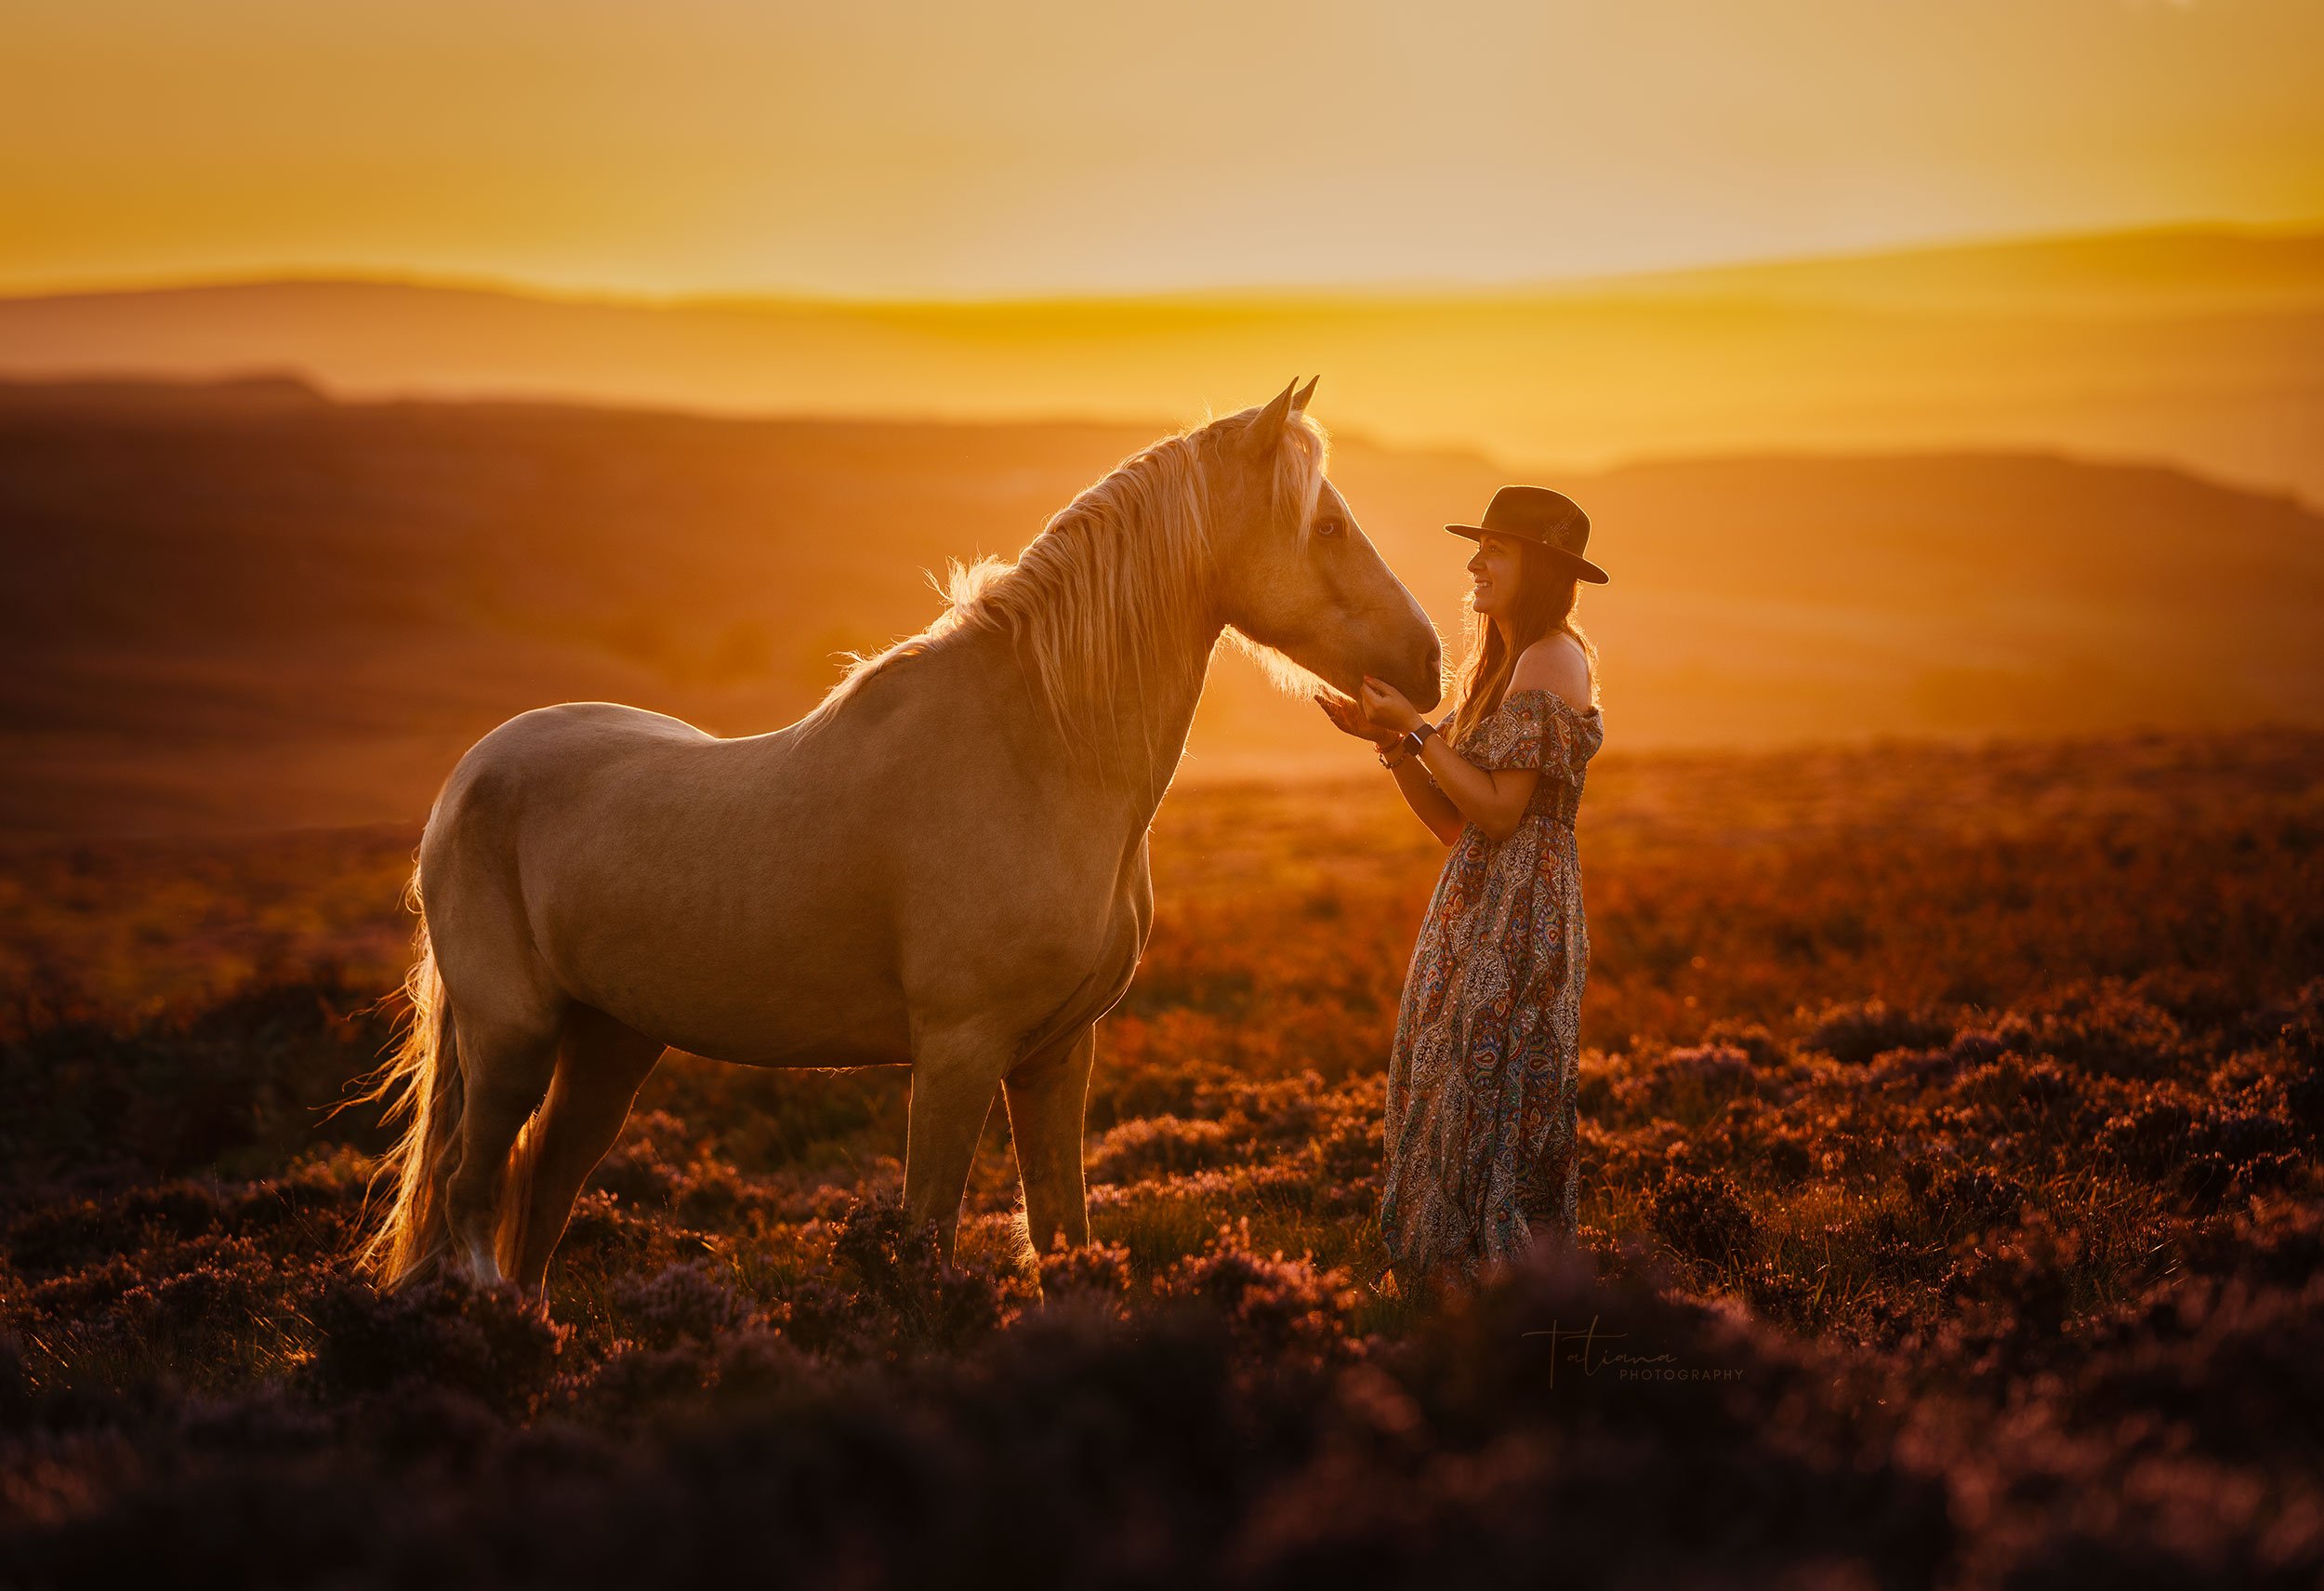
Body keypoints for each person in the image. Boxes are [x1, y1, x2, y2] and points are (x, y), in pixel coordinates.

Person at [1316, 484, 1608, 1306]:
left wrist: (1416, 730)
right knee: (1444, 1085)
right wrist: (1394, 744)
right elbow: (1455, 823)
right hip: (1475, 906)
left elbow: (1503, 810)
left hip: (1523, 918)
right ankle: (1439, 1286)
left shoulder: (1553, 657)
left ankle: (1497, 1291)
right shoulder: (1501, 667)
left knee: (1497, 1097)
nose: (1475, 562)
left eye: (1497, 550)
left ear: (1541, 570)